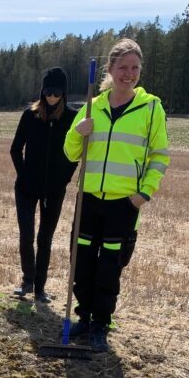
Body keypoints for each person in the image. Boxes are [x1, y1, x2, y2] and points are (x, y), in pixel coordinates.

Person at [64, 39, 170, 351]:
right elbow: (70, 153)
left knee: (110, 266)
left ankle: (101, 322)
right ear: (110, 69)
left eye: (135, 67)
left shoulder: (151, 108)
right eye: (122, 67)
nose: (129, 73)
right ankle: (83, 317)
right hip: (89, 199)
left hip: (124, 204)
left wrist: (143, 193)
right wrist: (76, 132)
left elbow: (160, 156)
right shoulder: (91, 106)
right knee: (82, 263)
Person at [9, 66, 78, 303]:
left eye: (56, 93)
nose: (51, 97)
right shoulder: (30, 115)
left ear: (64, 93)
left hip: (54, 190)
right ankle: (27, 281)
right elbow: (15, 149)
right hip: (26, 188)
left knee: (44, 239)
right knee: (26, 234)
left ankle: (40, 288)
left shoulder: (71, 117)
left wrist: (64, 180)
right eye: (48, 92)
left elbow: (75, 155)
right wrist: (24, 175)